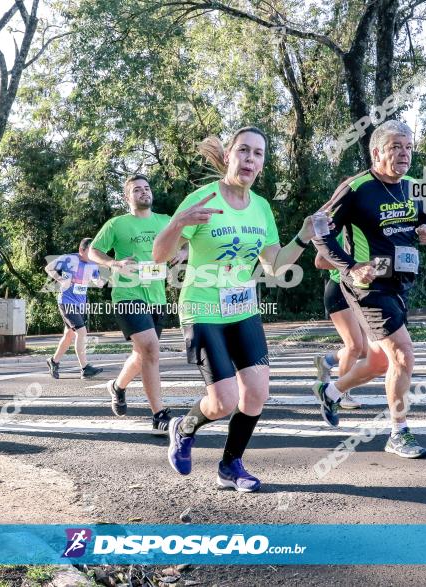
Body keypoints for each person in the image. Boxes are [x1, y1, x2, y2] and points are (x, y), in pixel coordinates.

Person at [153, 126, 315, 491]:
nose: (250, 159)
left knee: (257, 393)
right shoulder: (203, 199)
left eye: (258, 154)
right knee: (223, 401)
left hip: (242, 310)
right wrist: (178, 222)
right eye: (243, 150)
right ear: (229, 155)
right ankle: (184, 427)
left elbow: (274, 265)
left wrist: (303, 235)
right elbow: (160, 256)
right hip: (202, 310)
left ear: (262, 164)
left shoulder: (261, 207)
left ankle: (230, 466)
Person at [311, 119, 426, 458]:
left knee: (381, 361)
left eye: (408, 147)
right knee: (403, 354)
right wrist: (350, 267)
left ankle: (333, 391)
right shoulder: (356, 188)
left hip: (400, 282)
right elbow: (319, 229)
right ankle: (399, 433)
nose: (404, 154)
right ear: (377, 151)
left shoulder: (413, 185)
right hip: (366, 285)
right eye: (396, 147)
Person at [89, 175, 186, 434]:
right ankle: (159, 414)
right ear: (127, 197)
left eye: (146, 188)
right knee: (151, 350)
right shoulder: (116, 224)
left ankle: (117, 386)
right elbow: (93, 251)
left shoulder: (166, 221)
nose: (144, 192)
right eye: (137, 190)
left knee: (142, 354)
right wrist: (113, 263)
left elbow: (192, 238)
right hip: (127, 295)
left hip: (157, 297)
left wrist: (183, 253)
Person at [312, 236, 366, 410]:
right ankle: (341, 394)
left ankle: (326, 361)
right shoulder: (341, 229)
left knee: (365, 350)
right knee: (354, 347)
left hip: (359, 292)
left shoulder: (366, 227)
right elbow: (320, 261)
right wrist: (353, 265)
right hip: (339, 291)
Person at [45, 238, 104, 379]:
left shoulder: (93, 263)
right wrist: (61, 279)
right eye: (89, 251)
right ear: (81, 250)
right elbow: (48, 268)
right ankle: (85, 368)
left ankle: (54, 361)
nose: (91, 255)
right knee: (82, 332)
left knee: (69, 335)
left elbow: (98, 281)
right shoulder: (68, 259)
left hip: (80, 304)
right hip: (66, 302)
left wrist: (101, 279)